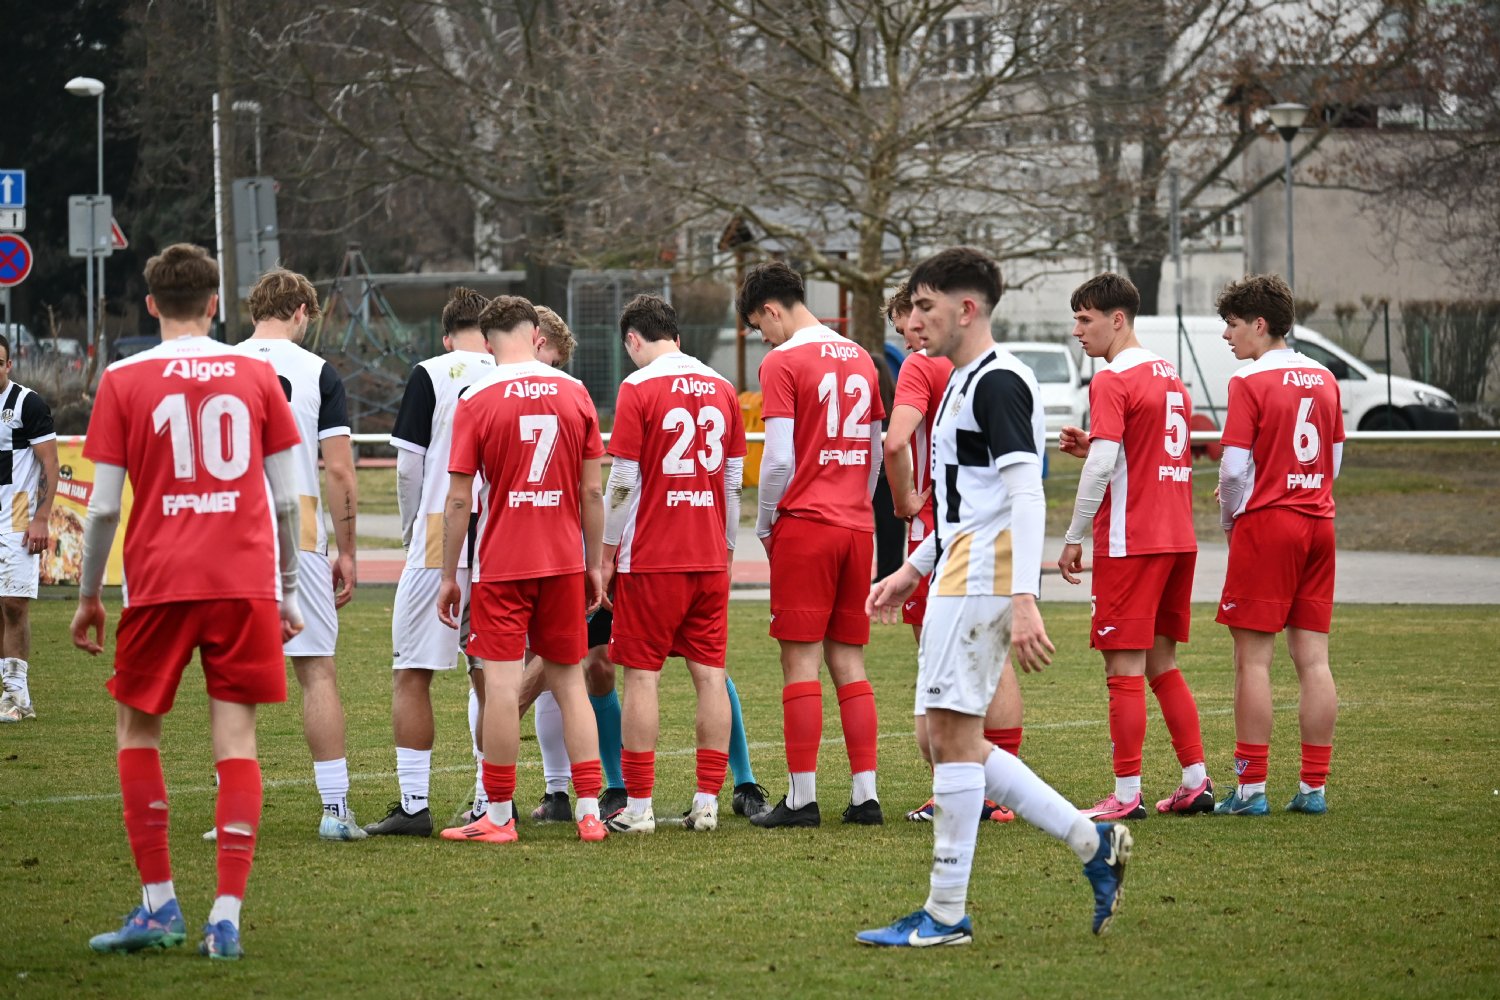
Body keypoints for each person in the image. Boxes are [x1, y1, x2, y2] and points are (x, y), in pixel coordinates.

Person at [861, 247, 1130, 947]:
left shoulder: (999, 381)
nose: (915, 320)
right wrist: (912, 568)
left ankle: (946, 913)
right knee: (944, 738)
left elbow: (1023, 494)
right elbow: (964, 505)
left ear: (966, 308)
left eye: (926, 306)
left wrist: (1024, 596)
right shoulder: (958, 380)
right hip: (955, 569)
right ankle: (1091, 842)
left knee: (951, 741)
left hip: (982, 578)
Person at [73, 243, 304, 960]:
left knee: (137, 733)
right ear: (214, 304)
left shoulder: (121, 378)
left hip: (160, 582)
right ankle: (225, 918)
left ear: (151, 305)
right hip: (243, 582)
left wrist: (88, 596)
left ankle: (160, 904)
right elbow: (287, 501)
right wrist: (289, 590)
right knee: (236, 744)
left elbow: (102, 509)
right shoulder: (254, 373)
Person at [437, 295, 609, 844]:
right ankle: (589, 812)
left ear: (487, 344)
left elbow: (459, 499)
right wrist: (594, 564)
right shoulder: (575, 392)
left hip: (503, 563)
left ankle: (499, 814)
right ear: (537, 334)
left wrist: (448, 575)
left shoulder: (476, 396)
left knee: (502, 686)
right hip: (562, 560)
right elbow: (592, 491)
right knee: (570, 683)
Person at [1055, 273, 1213, 819]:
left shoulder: (1112, 378)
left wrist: (1073, 537)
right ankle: (1195, 779)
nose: (1077, 330)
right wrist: (1098, 447)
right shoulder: (1171, 377)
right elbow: (1140, 452)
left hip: (1132, 540)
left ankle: (1125, 796)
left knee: (1122, 668)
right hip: (1177, 538)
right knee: (1161, 663)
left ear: (1117, 319)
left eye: (1085, 319)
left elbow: (1104, 466)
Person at [737, 260, 885, 828]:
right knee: (849, 659)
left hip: (807, 522)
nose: (763, 337)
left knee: (799, 661)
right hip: (856, 525)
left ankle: (802, 798)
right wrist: (857, 506)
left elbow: (777, 460)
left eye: (759, 326)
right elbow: (874, 452)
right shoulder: (861, 356)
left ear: (771, 309)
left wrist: (766, 523)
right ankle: (866, 796)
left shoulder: (784, 360)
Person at [598, 294, 747, 833]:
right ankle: (707, 802)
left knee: (642, 677)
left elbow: (622, 480)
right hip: (707, 553)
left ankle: (638, 806)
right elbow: (733, 482)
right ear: (677, 337)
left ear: (633, 340)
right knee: (710, 676)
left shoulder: (638, 386)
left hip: (652, 557)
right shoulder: (722, 387)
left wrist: (606, 553)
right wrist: (726, 550)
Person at [231, 268, 365, 840]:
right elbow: (339, 470)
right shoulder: (317, 371)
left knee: (232, 677)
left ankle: (233, 812)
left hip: (230, 532)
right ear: (302, 312)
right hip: (298, 529)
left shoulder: (220, 363)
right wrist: (349, 550)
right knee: (316, 670)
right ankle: (335, 810)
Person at [882, 282, 1019, 825]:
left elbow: (896, 441)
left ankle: (959, 788)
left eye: (910, 324)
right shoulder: (990, 367)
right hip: (992, 527)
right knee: (992, 658)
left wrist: (904, 501)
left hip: (941, 527)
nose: (909, 337)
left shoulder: (921, 365)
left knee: (940, 665)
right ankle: (999, 790)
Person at [365, 287, 495, 837]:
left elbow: (407, 469)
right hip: (498, 537)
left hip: (440, 535)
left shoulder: (430, 372)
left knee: (412, 673)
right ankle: (493, 801)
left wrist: (411, 529)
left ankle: (414, 805)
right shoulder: (514, 372)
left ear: (446, 337)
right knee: (491, 675)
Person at [1212, 274, 1343, 816]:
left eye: (1233, 324)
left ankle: (1250, 790)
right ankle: (1313, 788)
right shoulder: (1325, 376)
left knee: (1253, 662)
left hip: (1269, 525)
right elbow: (1334, 459)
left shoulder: (1248, 380)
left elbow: (1232, 470)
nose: (1227, 335)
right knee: (1313, 660)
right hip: (1319, 521)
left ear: (1260, 324)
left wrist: (1230, 517)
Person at [0, 333, 58, 723]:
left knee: (13, 604)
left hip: (17, 518)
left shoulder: (27, 403)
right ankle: (8, 692)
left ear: (8, 365)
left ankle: (17, 695)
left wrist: (41, 518)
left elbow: (51, 466)